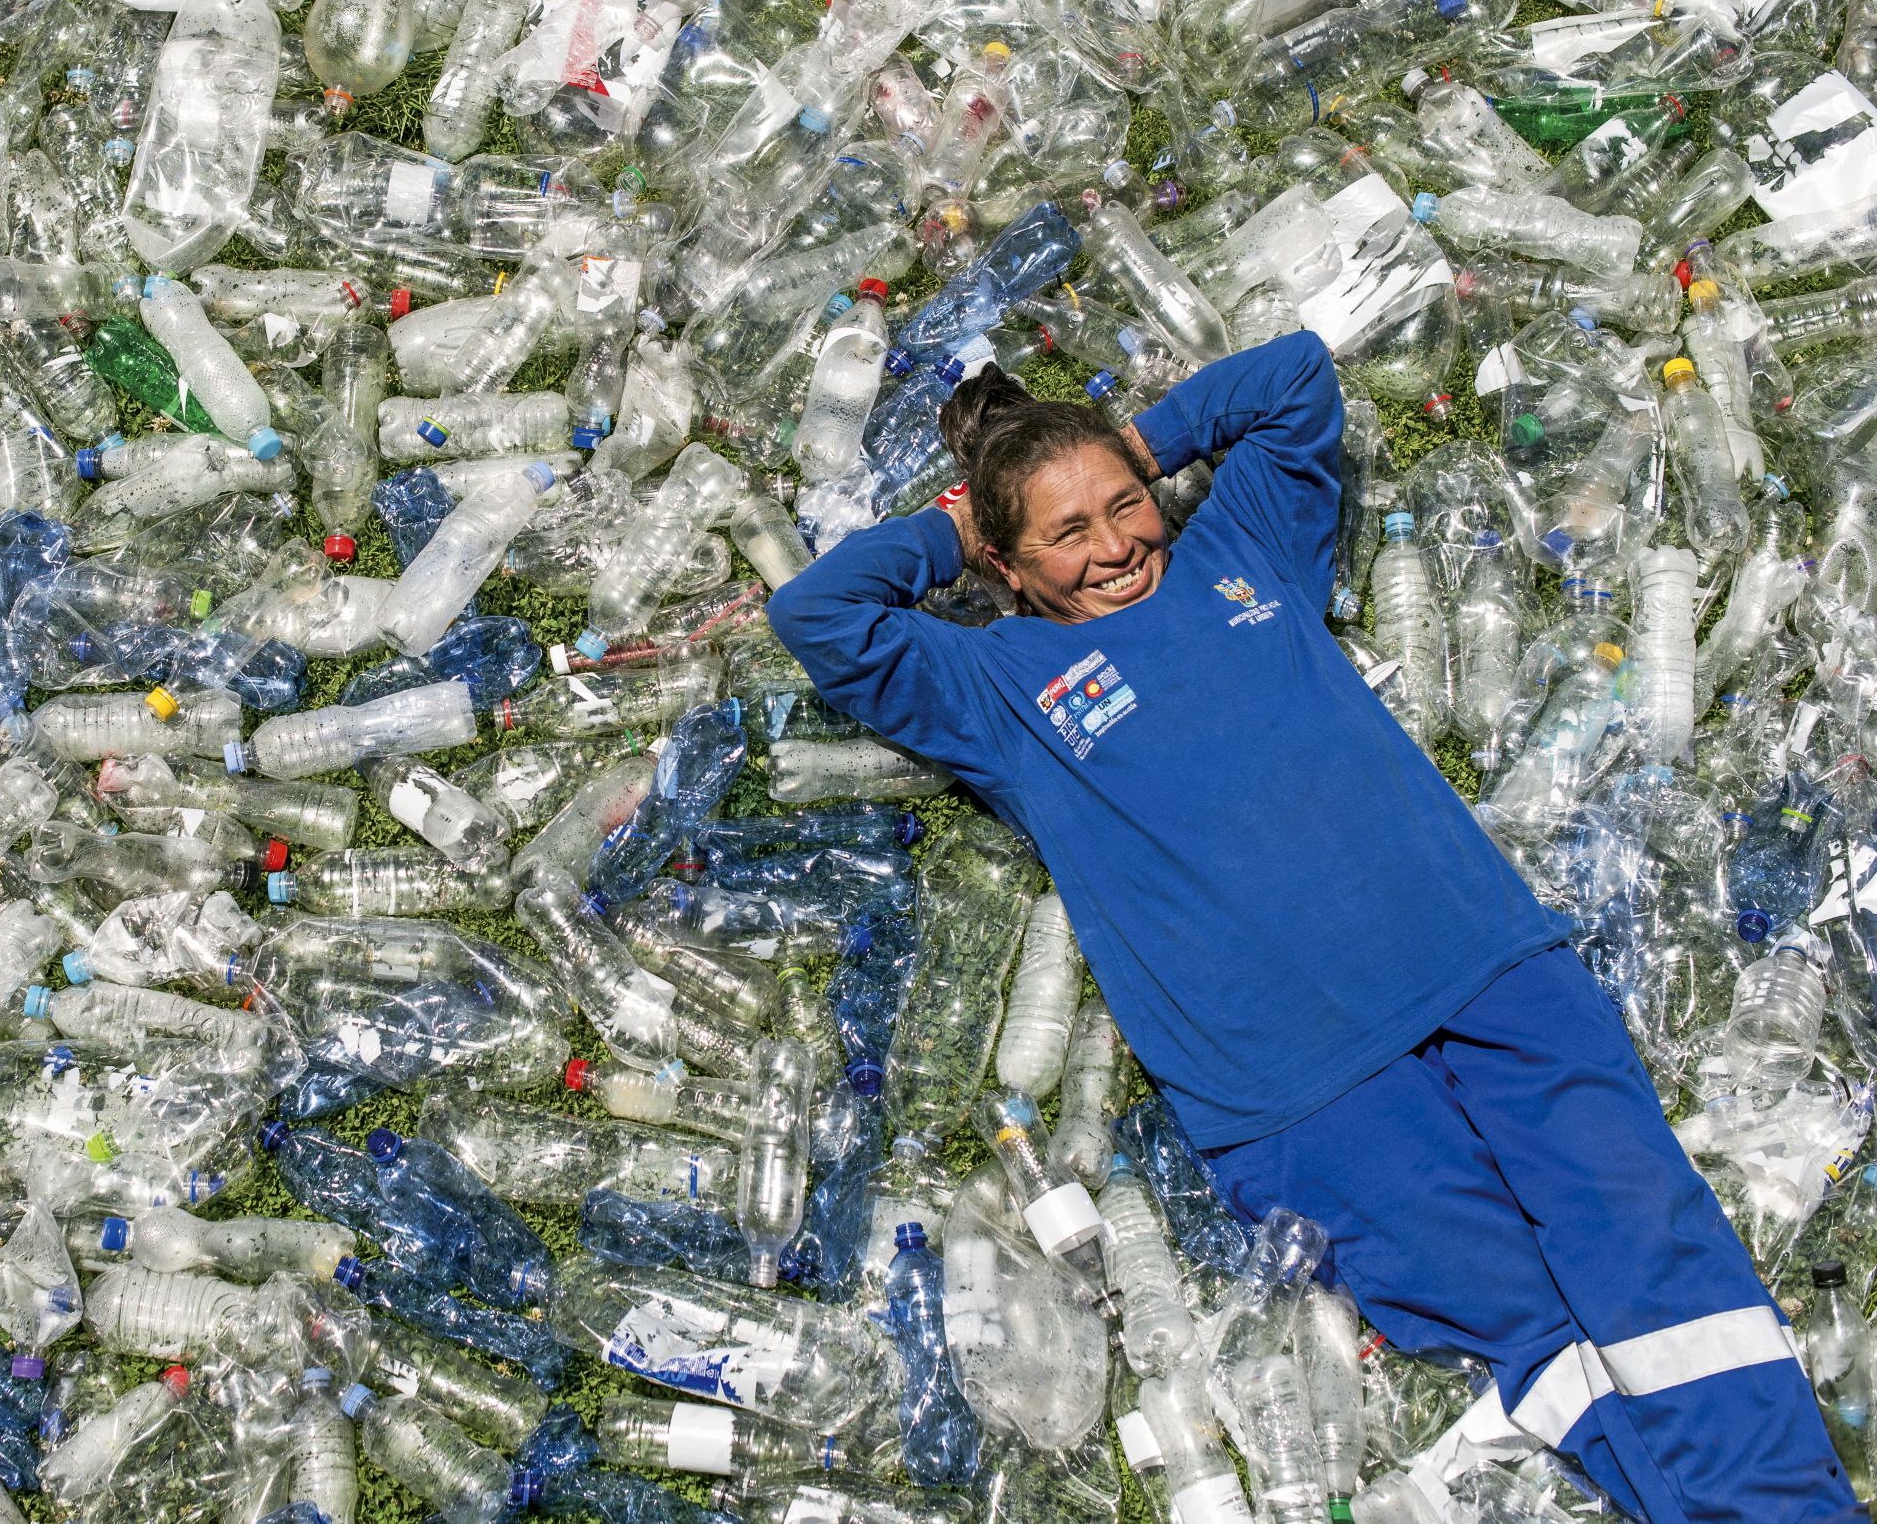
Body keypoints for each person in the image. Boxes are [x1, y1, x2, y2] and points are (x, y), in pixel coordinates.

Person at [765, 329, 1861, 1524]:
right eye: (1066, 533)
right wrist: (956, 527)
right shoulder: (992, 687)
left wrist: (1135, 442)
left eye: (1126, 507)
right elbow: (820, 611)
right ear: (1011, 568)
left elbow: (1295, 376)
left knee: (1652, 1243)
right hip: (1297, 1078)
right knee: (1528, 1326)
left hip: (1479, 965)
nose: (1116, 545)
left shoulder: (1240, 555)